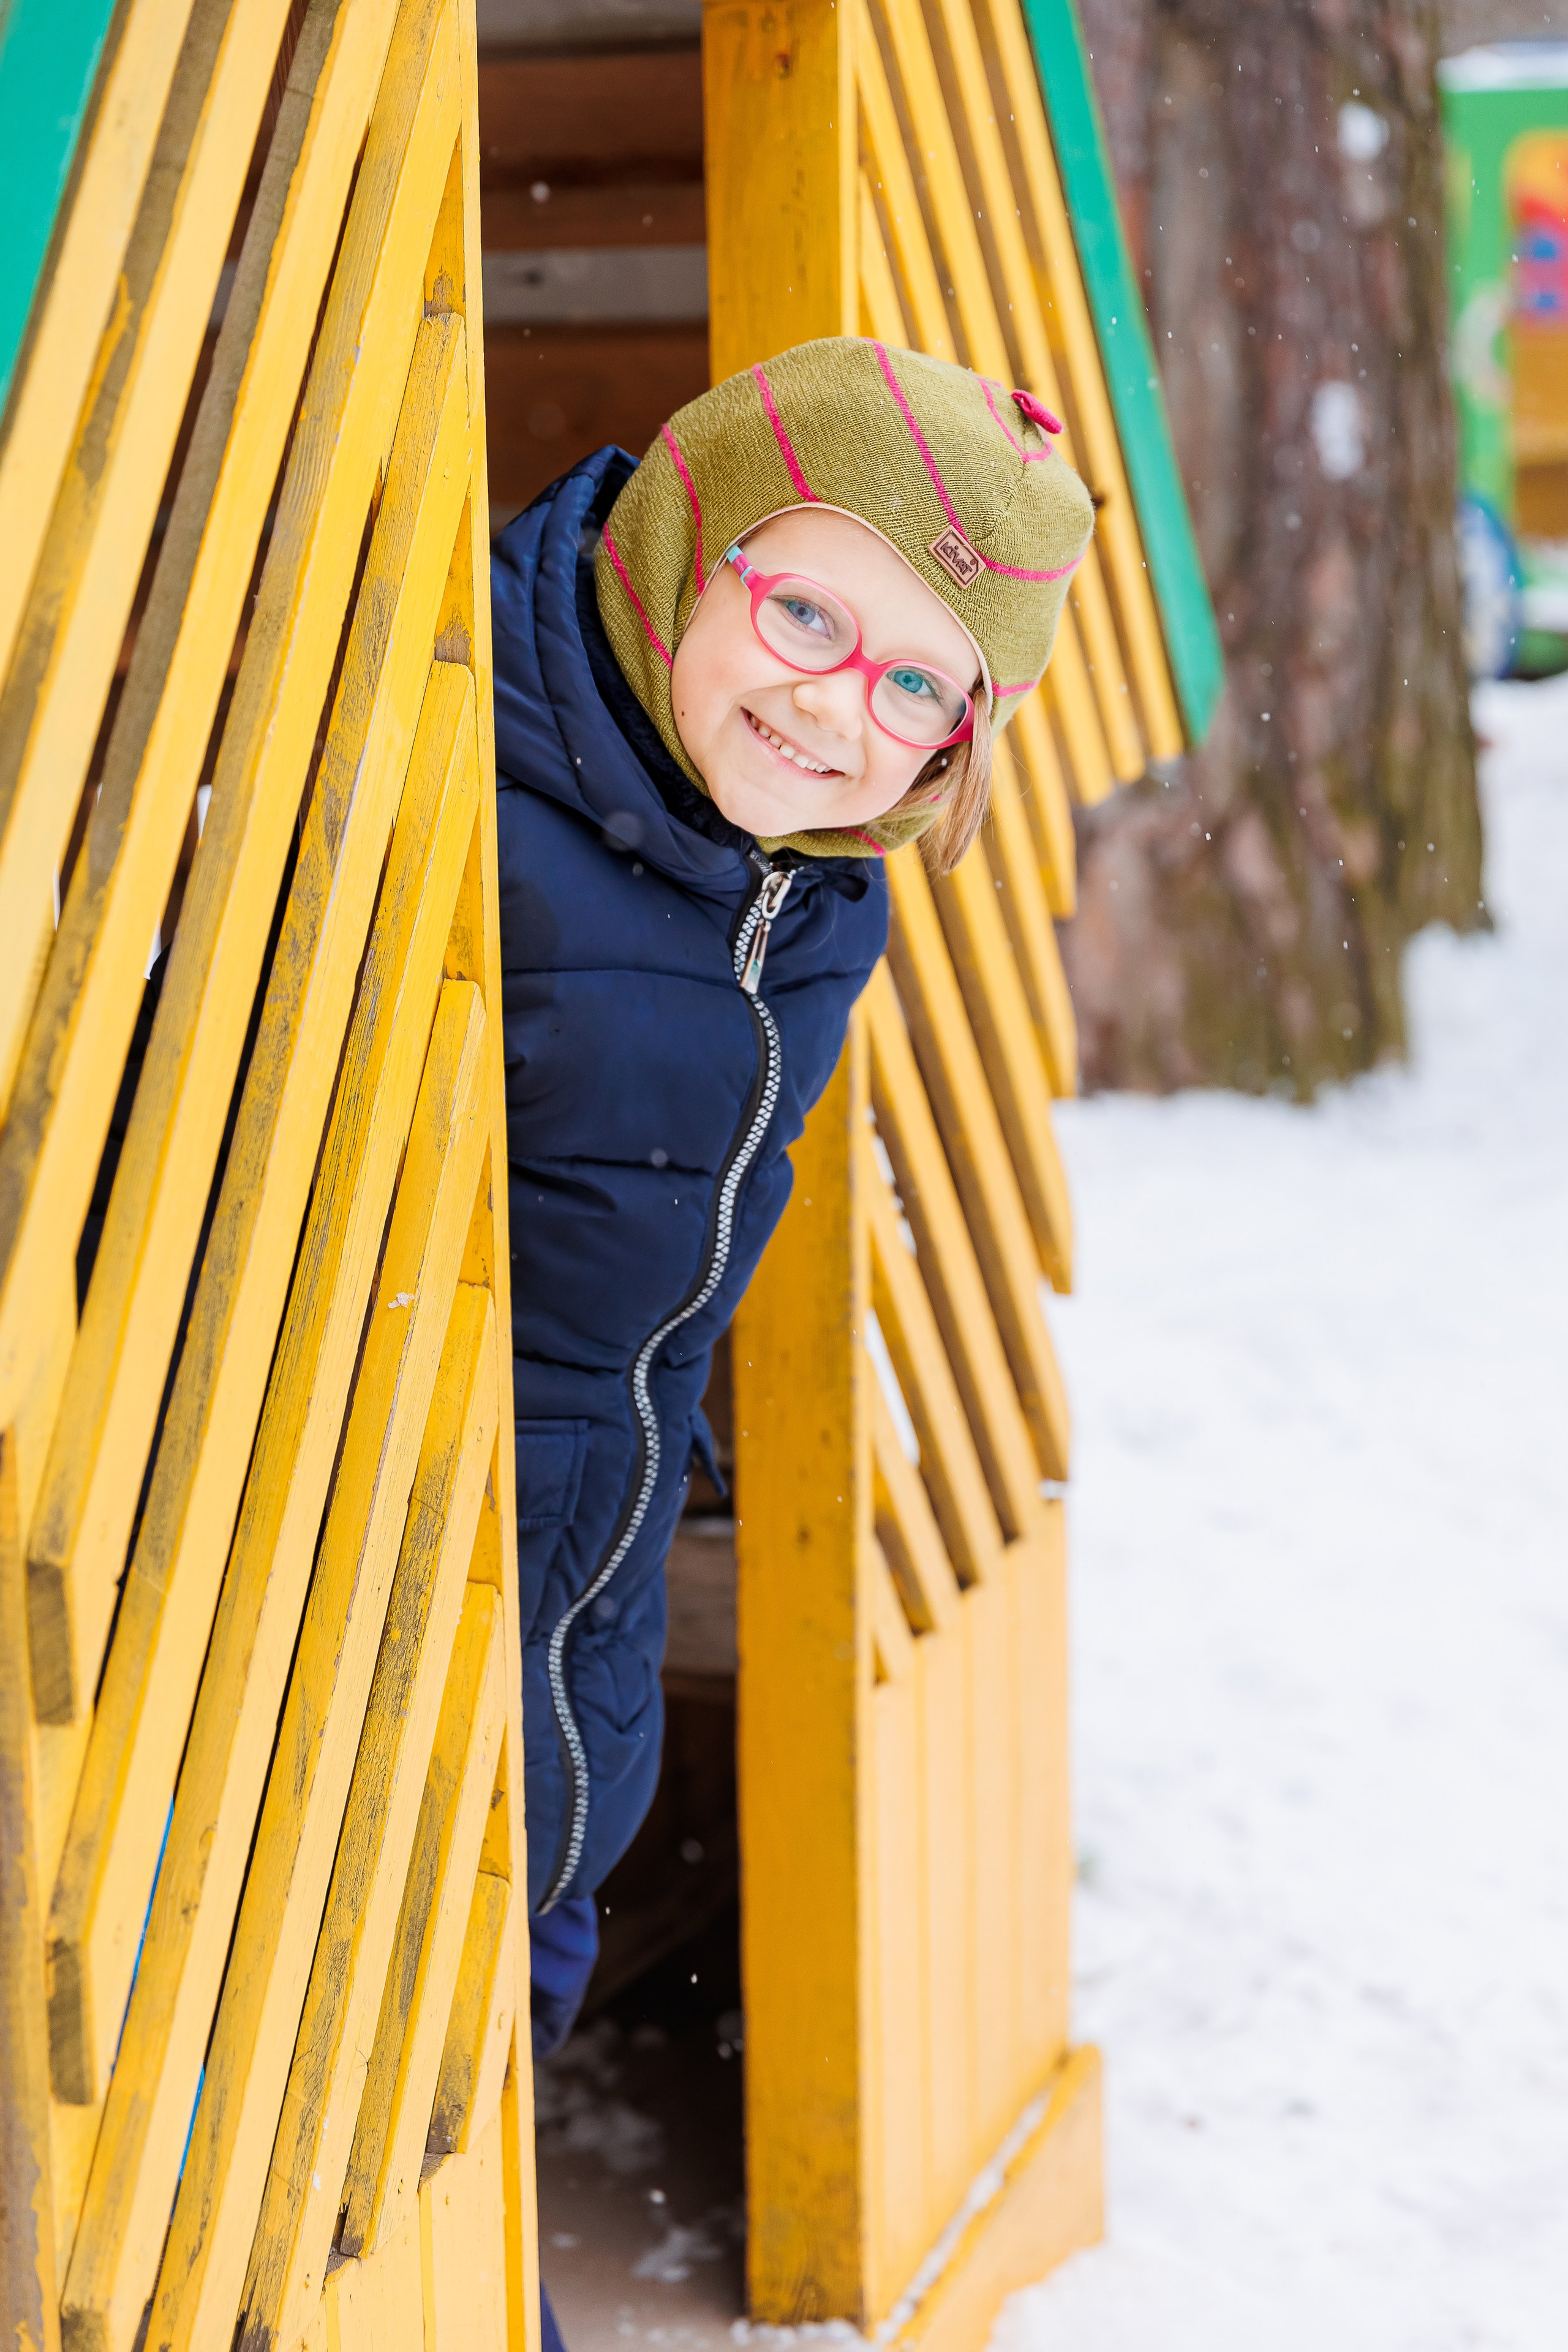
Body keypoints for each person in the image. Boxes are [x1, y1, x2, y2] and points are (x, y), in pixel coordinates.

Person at [491, 333, 1093, 2071]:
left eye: (925, 688)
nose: (841, 710)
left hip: (599, 1519)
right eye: (808, 616)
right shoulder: (480, 791)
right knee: (426, 1981)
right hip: (408, 1533)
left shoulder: (813, 894)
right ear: (691, 540)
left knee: (549, 1902)